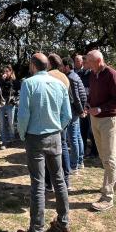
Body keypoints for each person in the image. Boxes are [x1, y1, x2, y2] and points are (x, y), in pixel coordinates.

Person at [15, 53, 72, 232]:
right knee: (59, 179)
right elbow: (68, 115)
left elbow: (23, 115)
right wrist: (58, 128)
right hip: (55, 135)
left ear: (32, 65)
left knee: (38, 184)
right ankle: (64, 223)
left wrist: (23, 134)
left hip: (35, 137)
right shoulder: (59, 83)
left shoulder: (28, 84)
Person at [86, 50, 116, 212]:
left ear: (100, 61)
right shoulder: (92, 74)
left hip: (108, 119)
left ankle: (107, 196)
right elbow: (92, 94)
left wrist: (100, 109)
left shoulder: (111, 74)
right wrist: (88, 105)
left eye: (90, 62)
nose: (87, 65)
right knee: (103, 155)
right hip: (95, 118)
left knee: (108, 158)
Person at [44, 53, 72, 191]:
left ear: (49, 63)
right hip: (62, 119)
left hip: (50, 119)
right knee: (63, 147)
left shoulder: (47, 76)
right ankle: (66, 180)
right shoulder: (64, 77)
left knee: (49, 152)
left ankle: (49, 183)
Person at [62, 58, 86, 173]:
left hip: (73, 111)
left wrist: (81, 111)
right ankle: (80, 161)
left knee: (73, 139)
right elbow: (82, 95)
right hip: (77, 110)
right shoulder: (75, 75)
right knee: (78, 136)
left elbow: (75, 97)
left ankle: (74, 165)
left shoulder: (70, 78)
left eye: (62, 66)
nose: (61, 68)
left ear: (67, 67)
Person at [75, 54, 98, 161]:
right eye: (83, 63)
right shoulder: (79, 74)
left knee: (92, 130)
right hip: (83, 105)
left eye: (85, 63)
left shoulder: (93, 74)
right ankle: (82, 150)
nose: (84, 65)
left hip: (92, 106)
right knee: (82, 129)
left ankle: (94, 151)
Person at [0, 65, 19, 149]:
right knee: (2, 124)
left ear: (11, 72)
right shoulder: (0, 81)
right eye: (4, 71)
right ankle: (4, 142)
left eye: (7, 71)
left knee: (11, 123)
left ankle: (12, 139)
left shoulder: (15, 81)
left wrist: (15, 101)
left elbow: (18, 92)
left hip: (10, 105)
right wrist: (2, 80)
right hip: (1, 104)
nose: (5, 73)